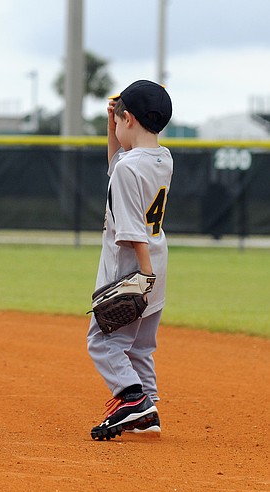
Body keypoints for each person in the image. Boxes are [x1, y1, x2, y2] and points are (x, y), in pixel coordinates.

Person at [88, 80, 173, 440]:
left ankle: (132, 399)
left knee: (103, 341)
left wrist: (142, 278)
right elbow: (119, 168)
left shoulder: (128, 168)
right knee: (139, 346)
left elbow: (132, 229)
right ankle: (148, 409)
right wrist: (113, 128)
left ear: (131, 119)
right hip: (158, 260)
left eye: (119, 120)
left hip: (132, 267)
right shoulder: (162, 157)